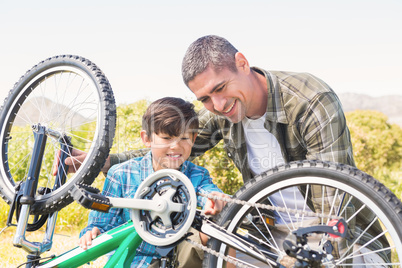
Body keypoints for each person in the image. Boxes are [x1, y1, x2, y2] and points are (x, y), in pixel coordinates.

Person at [71, 35, 388, 263]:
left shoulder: (310, 101)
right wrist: (105, 161)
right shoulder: (223, 113)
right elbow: (173, 150)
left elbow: (336, 209)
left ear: (242, 63)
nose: (217, 105)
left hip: (343, 240)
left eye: (220, 88)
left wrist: (306, 258)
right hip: (272, 239)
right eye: (205, 99)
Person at [78, 97, 229, 268]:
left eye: (184, 138)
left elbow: (208, 192)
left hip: (178, 256)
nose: (176, 147)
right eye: (166, 138)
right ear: (147, 138)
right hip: (136, 259)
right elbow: (101, 223)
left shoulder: (197, 175)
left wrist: (215, 198)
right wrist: (94, 231)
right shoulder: (121, 174)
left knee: (221, 228)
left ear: (194, 139)